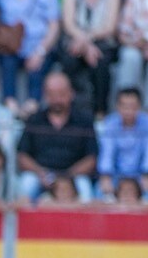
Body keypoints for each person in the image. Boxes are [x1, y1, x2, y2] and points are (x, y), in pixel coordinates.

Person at [56, 0, 122, 116]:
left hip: (102, 41)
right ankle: (68, 107)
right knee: (69, 58)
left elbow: (110, 27)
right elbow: (69, 24)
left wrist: (86, 42)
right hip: (75, 38)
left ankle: (100, 111)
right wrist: (85, 45)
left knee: (101, 62)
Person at [15, 71, 97, 201]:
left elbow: (91, 158)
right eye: (52, 95)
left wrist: (68, 177)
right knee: (26, 185)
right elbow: (22, 156)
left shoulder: (84, 121)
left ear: (71, 93)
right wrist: (41, 173)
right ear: (45, 95)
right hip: (40, 174)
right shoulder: (34, 120)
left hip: (74, 175)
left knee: (85, 190)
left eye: (61, 94)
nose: (57, 100)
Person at [0, 0, 60, 110]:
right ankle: (10, 102)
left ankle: (33, 104)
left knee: (37, 64)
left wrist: (40, 51)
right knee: (6, 60)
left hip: (39, 44)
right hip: (12, 46)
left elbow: (53, 25)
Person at [97, 86, 148, 198]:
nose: (128, 111)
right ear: (117, 107)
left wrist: (147, 175)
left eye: (133, 107)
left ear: (139, 107)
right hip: (115, 176)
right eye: (124, 107)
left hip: (140, 176)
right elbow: (107, 153)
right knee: (100, 193)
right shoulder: (110, 123)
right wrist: (106, 177)